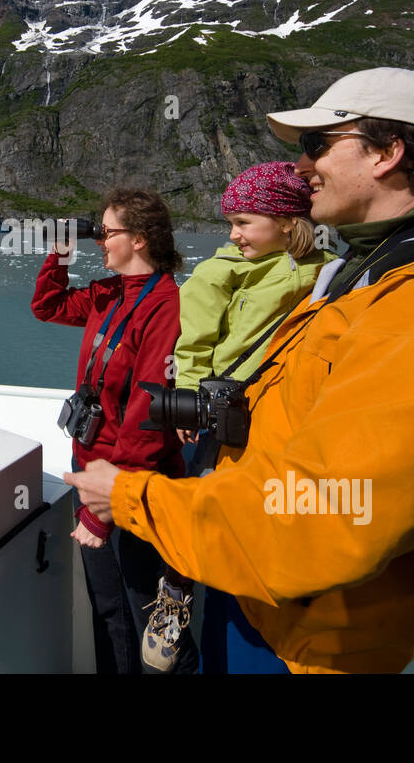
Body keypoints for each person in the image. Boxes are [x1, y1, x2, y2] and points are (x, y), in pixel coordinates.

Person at [66, 67, 414, 673]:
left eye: (318, 145)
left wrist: (136, 498)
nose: (301, 167)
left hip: (308, 627)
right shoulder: (376, 272)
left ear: (388, 153)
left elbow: (329, 514)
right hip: (264, 584)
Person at [140, 161, 336, 672]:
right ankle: (174, 595)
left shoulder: (332, 269)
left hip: (278, 425)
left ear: (288, 221)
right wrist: (189, 393)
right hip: (218, 414)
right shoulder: (220, 271)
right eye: (232, 223)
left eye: (245, 221)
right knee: (199, 511)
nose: (234, 233)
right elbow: (196, 339)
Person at [31, 188, 199, 673]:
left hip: (132, 483)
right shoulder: (108, 293)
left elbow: (147, 418)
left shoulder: (165, 304)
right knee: (107, 610)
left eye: (108, 232)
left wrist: (103, 512)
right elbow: (48, 307)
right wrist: (60, 254)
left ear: (141, 239)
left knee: (151, 618)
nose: (100, 241)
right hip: (89, 469)